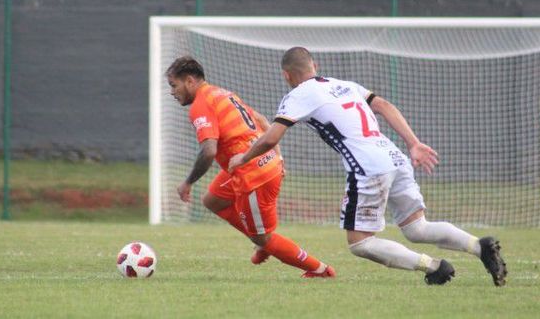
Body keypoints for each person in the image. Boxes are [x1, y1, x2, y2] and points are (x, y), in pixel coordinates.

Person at [229, 46, 507, 286]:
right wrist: (413, 143)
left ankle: (434, 268)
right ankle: (478, 246)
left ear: (286, 76)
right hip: (394, 156)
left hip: (368, 167)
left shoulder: (298, 94)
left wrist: (243, 158)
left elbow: (272, 137)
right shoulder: (346, 84)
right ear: (315, 66)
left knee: (361, 243)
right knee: (417, 228)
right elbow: (383, 105)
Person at [166, 56, 335, 278]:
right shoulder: (222, 93)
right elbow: (262, 120)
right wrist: (279, 158)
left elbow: (209, 151)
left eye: (173, 85)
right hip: (260, 162)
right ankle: (261, 241)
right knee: (212, 199)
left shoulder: (201, 105)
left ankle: (320, 270)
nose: (172, 91)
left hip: (253, 174)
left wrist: (188, 182)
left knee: (263, 237)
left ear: (189, 81)